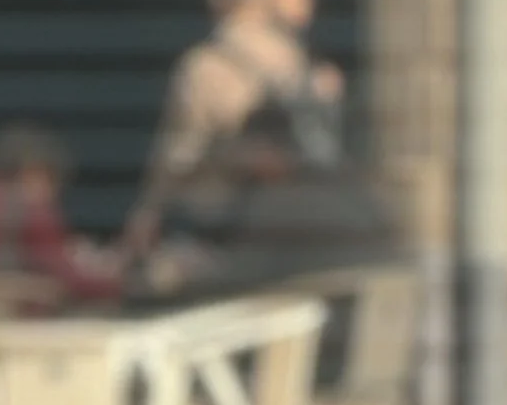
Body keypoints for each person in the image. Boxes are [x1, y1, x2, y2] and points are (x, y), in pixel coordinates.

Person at [120, 0, 342, 270]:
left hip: (240, 226)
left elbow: (176, 154)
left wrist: (148, 213)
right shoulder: (306, 70)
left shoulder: (207, 64)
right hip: (282, 225)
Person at [144, 97, 405, 310]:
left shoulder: (283, 202)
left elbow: (239, 284)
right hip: (361, 330)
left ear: (265, 149)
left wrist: (186, 274)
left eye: (245, 147)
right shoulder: (351, 189)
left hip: (317, 340)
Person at [0, 124, 116, 308]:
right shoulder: (31, 210)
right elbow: (75, 281)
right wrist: (114, 276)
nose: (55, 193)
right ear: (33, 170)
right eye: (53, 179)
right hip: (8, 314)